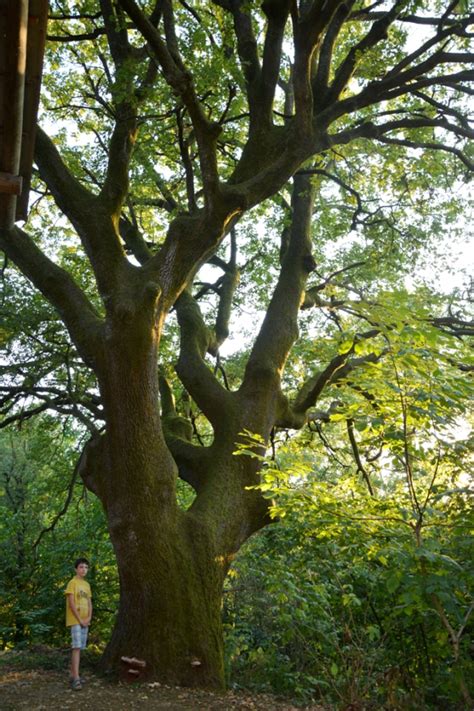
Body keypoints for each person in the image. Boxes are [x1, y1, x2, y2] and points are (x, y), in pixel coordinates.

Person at [65, 557, 92, 691]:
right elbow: (71, 603)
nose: (84, 569)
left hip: (84, 620)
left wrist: (88, 618)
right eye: (81, 567)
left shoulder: (87, 585)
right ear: (76, 569)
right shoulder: (72, 583)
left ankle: (73, 674)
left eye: (86, 567)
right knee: (76, 647)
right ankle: (76, 678)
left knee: (80, 647)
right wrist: (80, 620)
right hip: (75, 620)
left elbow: (89, 603)